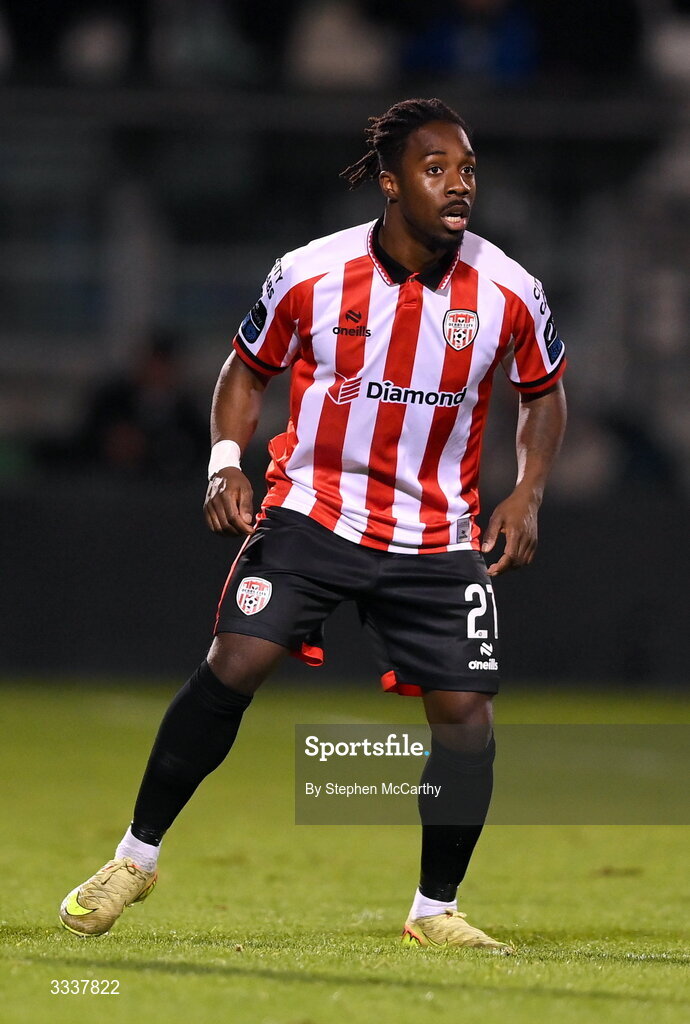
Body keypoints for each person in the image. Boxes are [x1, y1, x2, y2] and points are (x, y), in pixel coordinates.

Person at [58, 98, 566, 952]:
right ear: (391, 180)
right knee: (235, 661)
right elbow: (245, 370)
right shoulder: (309, 274)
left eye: (468, 168)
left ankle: (433, 910)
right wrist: (226, 460)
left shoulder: (510, 288)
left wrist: (530, 491)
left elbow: (545, 392)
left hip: (437, 529)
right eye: (436, 168)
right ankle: (134, 860)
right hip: (315, 508)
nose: (458, 185)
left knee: (467, 718)